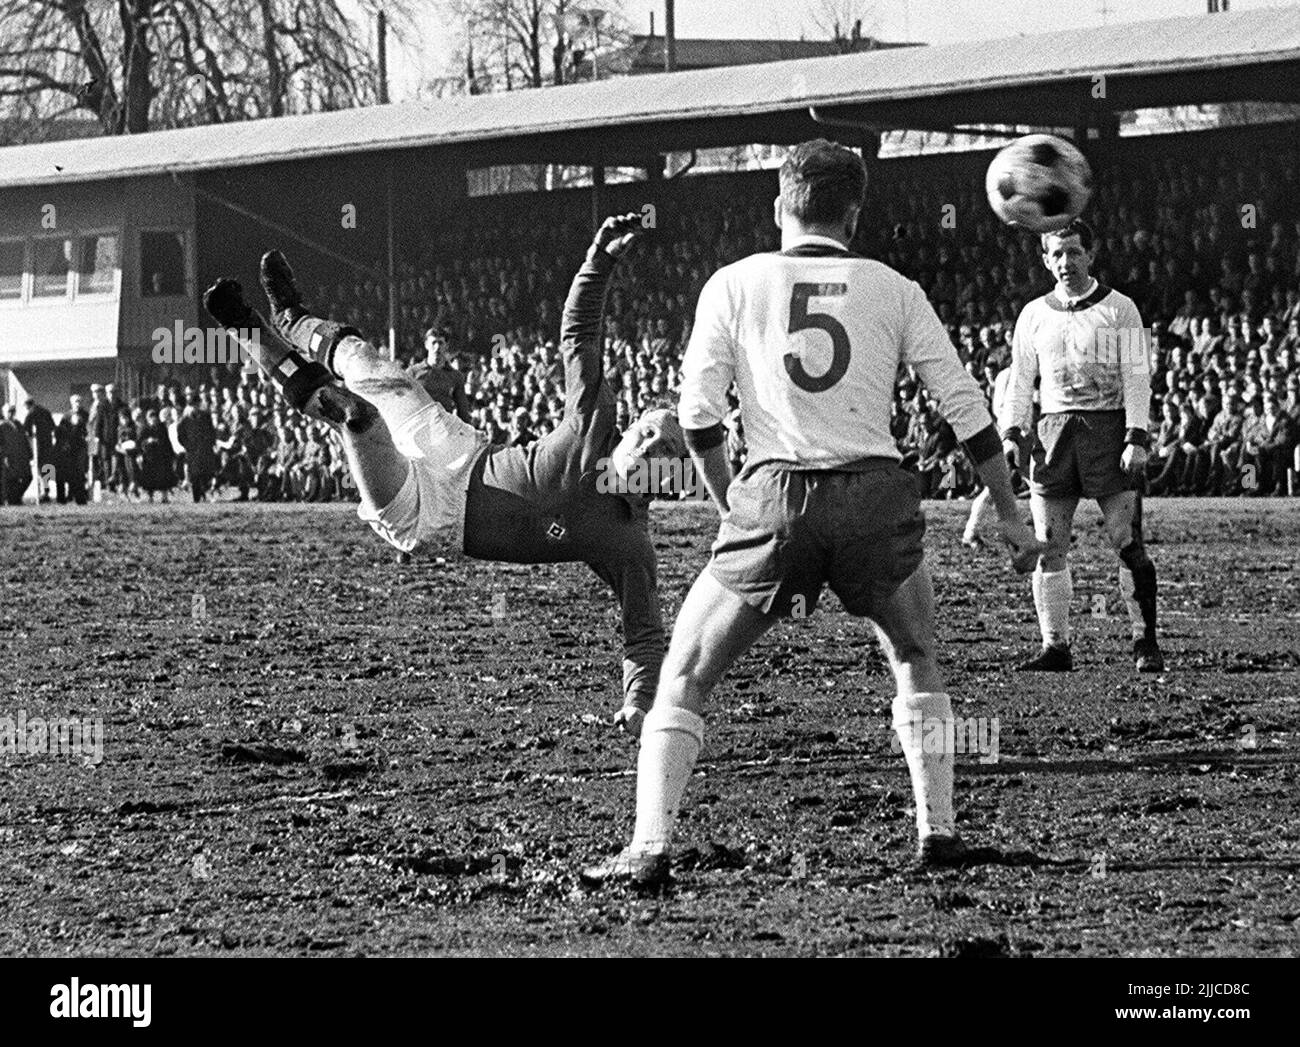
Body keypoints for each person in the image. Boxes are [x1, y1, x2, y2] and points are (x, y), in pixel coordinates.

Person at [582, 140, 1041, 887]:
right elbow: (965, 408)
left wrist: (731, 499)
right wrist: (1014, 517)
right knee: (914, 652)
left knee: (687, 672)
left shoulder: (733, 282)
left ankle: (649, 848)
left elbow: (697, 416)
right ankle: (938, 832)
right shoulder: (895, 287)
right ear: (854, 215)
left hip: (776, 497)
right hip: (873, 499)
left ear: (779, 205)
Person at [204, 215, 684, 731]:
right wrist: (600, 259)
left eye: (667, 449)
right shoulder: (593, 421)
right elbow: (579, 330)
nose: (651, 445)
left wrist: (639, 704)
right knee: (365, 360)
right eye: (650, 431)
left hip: (434, 515)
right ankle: (293, 318)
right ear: (631, 427)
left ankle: (249, 332)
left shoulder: (628, 542)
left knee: (354, 415)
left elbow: (645, 635)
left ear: (668, 477)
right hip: (456, 446)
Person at [999, 218, 1165, 674]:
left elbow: (1137, 375)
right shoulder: (1033, 314)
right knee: (1049, 544)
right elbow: (1020, 380)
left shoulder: (1121, 309)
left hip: (1109, 429)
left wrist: (1136, 435)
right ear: (1045, 259)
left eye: (1074, 252)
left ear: (1090, 254)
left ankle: (1144, 642)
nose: (1066, 262)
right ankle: (1056, 648)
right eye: (1057, 254)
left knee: (1124, 537)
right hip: (1053, 433)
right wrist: (1013, 433)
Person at [407, 325, 473, 423]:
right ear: (426, 345)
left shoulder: (456, 376)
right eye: (434, 342)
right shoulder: (413, 373)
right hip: (420, 426)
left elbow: (463, 412)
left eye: (441, 343)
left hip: (444, 428)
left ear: (446, 345)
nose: (437, 347)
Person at [178, 395, 218, 502]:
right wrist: (187, 445)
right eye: (192, 405)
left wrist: (210, 444)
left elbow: (211, 432)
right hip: (192, 450)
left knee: (205, 473)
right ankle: (196, 497)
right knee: (194, 475)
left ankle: (205, 492)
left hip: (204, 449)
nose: (194, 408)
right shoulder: (185, 420)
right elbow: (180, 435)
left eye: (196, 405)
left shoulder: (205, 417)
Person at [53, 397, 89, 505]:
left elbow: (88, 431)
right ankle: (64, 497)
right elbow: (59, 433)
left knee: (79, 474)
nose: (77, 404)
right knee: (65, 475)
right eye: (75, 402)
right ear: (71, 403)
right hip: (67, 450)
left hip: (80, 449)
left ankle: (79, 498)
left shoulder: (85, 415)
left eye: (79, 401)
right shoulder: (66, 417)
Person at [22, 398, 56, 503]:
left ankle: (42, 492)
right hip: (47, 445)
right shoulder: (45, 411)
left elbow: (25, 430)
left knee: (40, 469)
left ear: (28, 405)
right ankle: (45, 491)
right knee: (46, 468)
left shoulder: (31, 414)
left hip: (39, 446)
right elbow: (53, 426)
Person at [0, 404, 31, 505]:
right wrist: (4, 456)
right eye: (8, 411)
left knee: (28, 477)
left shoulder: (19, 424)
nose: (10, 413)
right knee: (12, 479)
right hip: (9, 457)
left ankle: (16, 497)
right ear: (4, 413)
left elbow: (25, 439)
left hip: (22, 455)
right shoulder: (2, 426)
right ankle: (13, 500)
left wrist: (30, 453)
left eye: (12, 411)